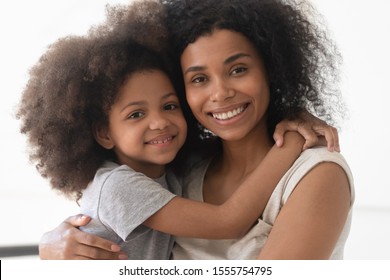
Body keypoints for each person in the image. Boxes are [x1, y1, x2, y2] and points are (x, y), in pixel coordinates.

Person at [36, 0, 352, 260]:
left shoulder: (316, 174)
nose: (220, 93)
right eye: (199, 79)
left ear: (273, 70)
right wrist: (50, 246)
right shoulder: (183, 168)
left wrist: (294, 122)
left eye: (238, 69)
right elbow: (229, 219)